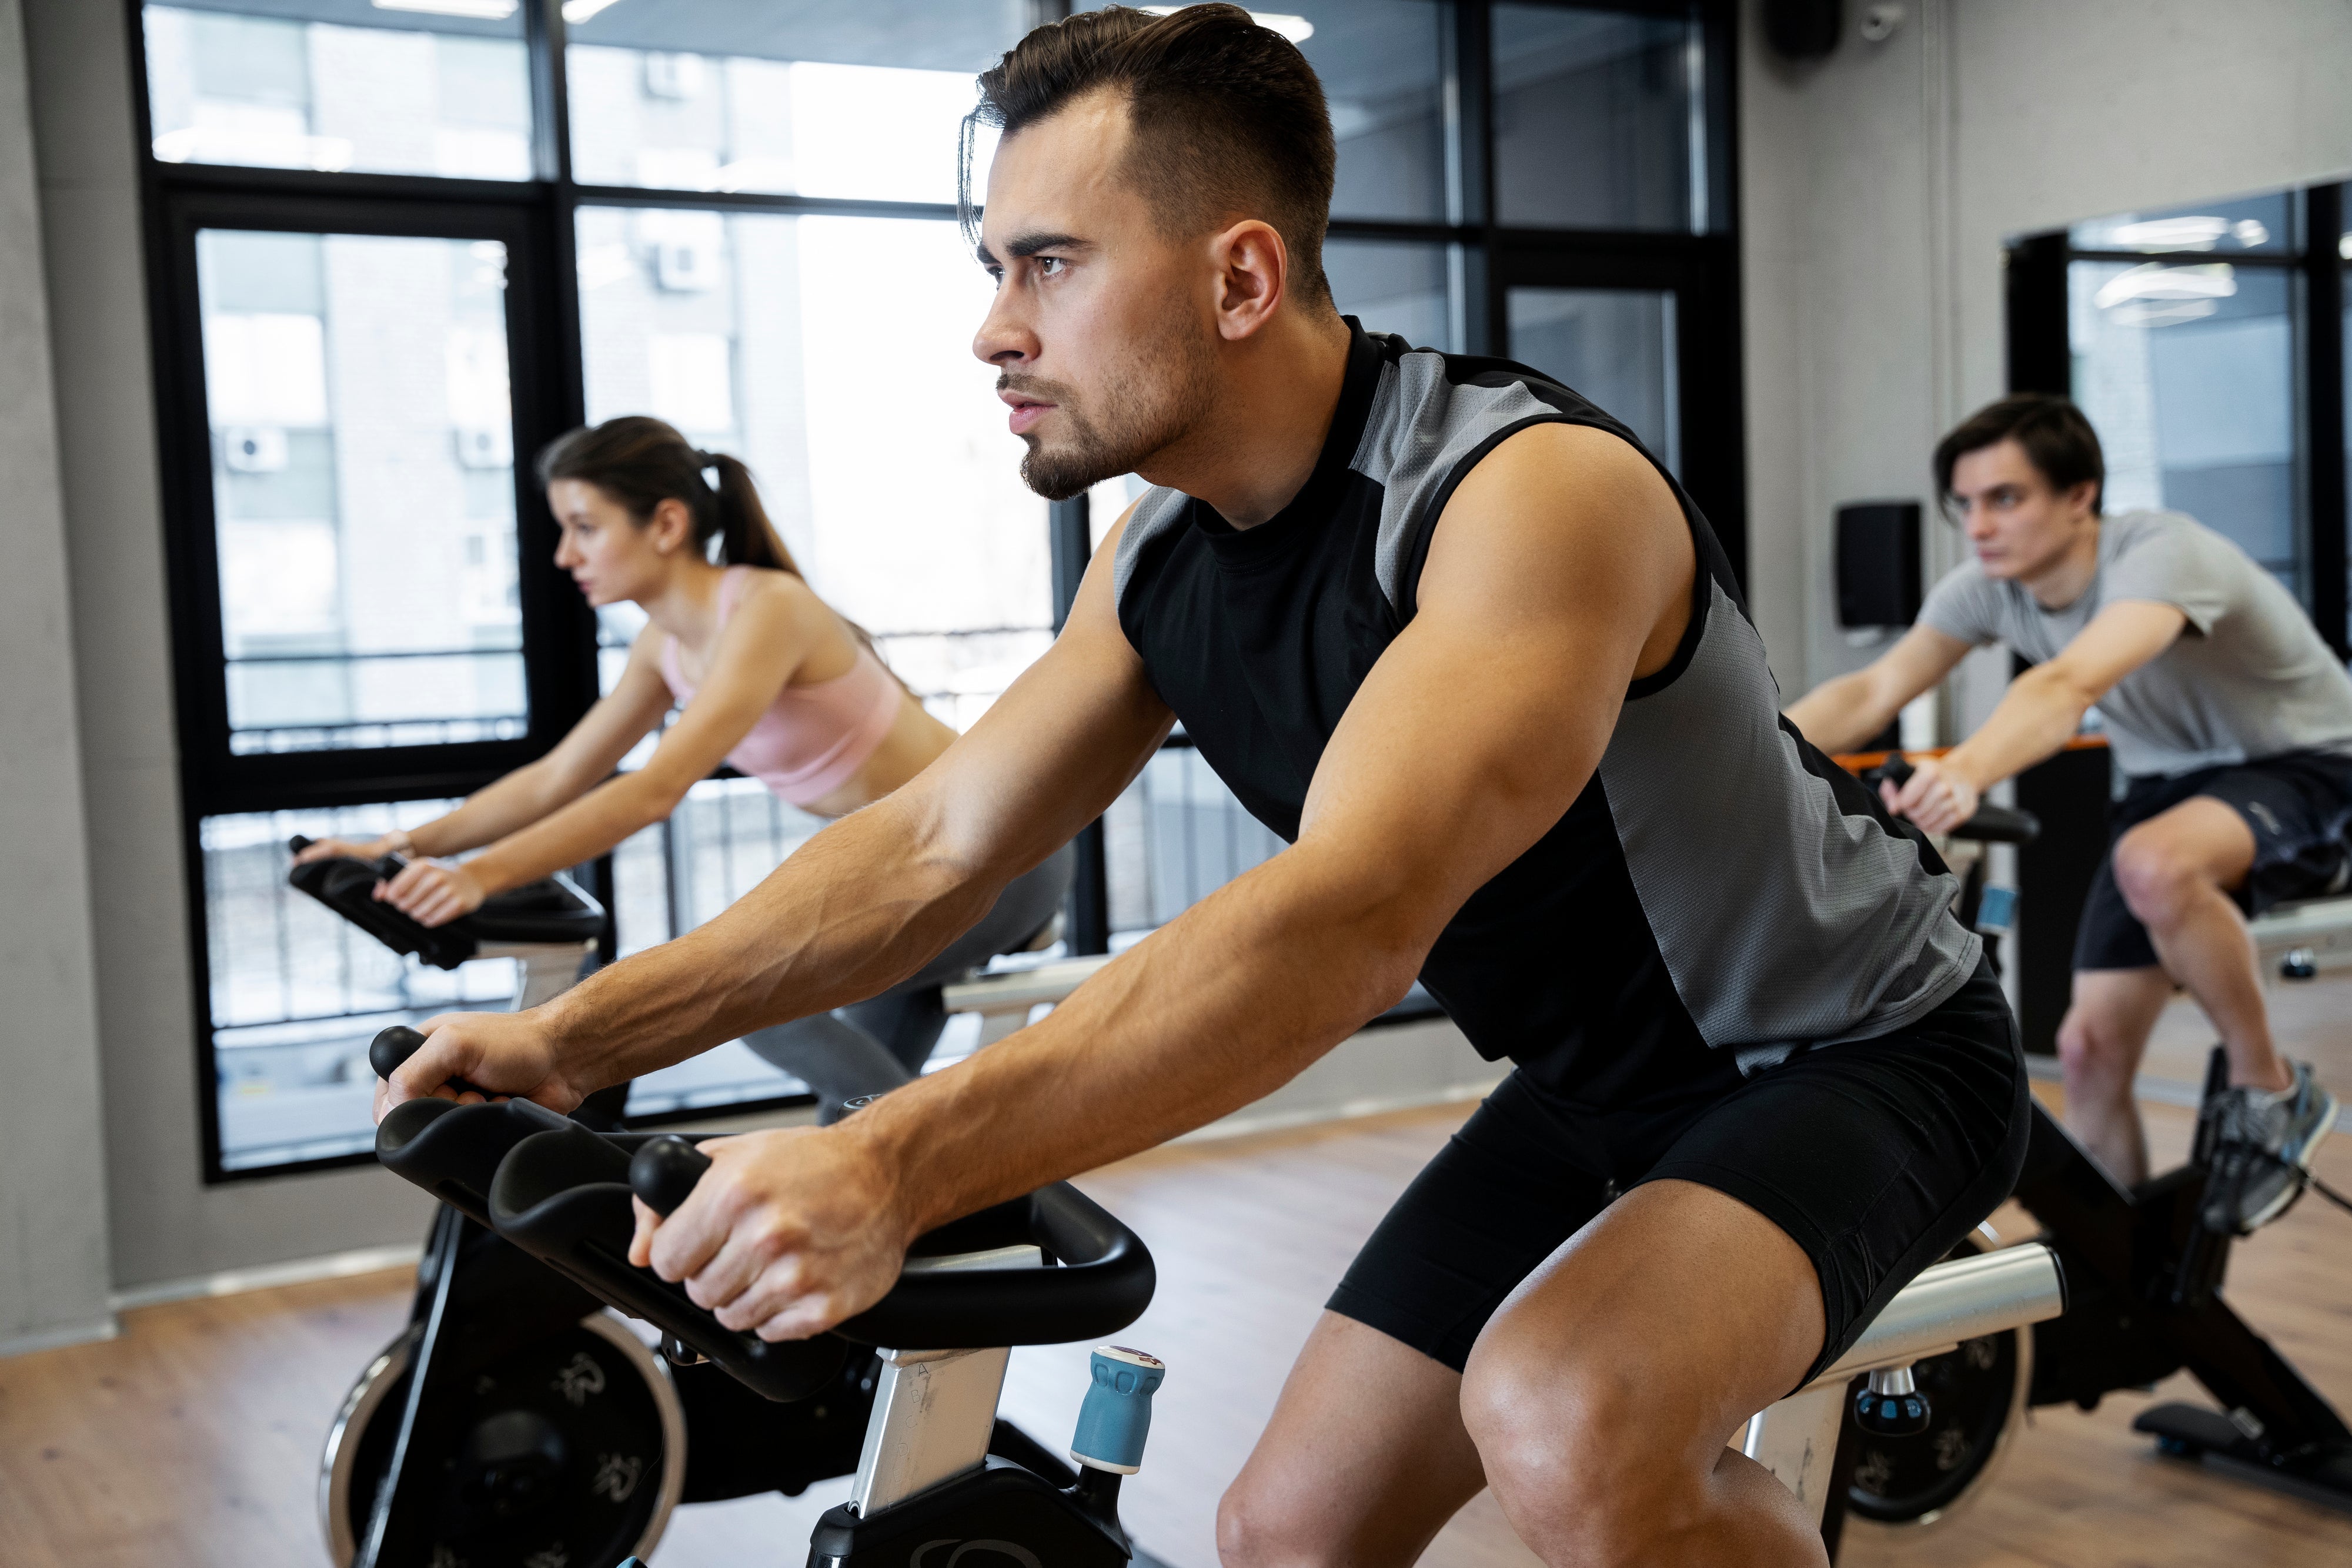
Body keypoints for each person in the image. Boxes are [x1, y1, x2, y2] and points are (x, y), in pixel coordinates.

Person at [379, 10, 2022, 1566]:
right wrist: (571, 1042)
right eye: (992, 265)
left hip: (1861, 1050)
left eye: (1050, 263)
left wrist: (889, 1162)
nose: (993, 326)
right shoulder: (1158, 555)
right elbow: (939, 840)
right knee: (1286, 1536)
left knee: (1567, 1415)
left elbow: (1347, 915)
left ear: (1240, 275)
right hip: (1603, 1084)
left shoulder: (1523, 496)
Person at [297, 416, 1071, 1115]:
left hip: (999, 848)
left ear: (666, 523)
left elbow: (654, 790)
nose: (566, 554)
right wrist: (407, 849)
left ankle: (970, 1156)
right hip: (906, 866)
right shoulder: (663, 648)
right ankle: (935, 1190)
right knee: (853, 1122)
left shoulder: (768, 610)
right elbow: (560, 775)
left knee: (771, 999)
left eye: (584, 528)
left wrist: (478, 877)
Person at [1786, 393, 2343, 1229]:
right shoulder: (1986, 589)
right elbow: (1872, 689)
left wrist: (1968, 770)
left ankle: (2272, 1093)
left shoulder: (2159, 554)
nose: (1979, 525)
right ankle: (2118, 1281)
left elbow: (2068, 684)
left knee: (2155, 863)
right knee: (2085, 1051)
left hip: (2307, 763)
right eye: (1966, 504)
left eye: (2006, 499)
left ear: (2080, 495)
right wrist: (1750, 754)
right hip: (2166, 790)